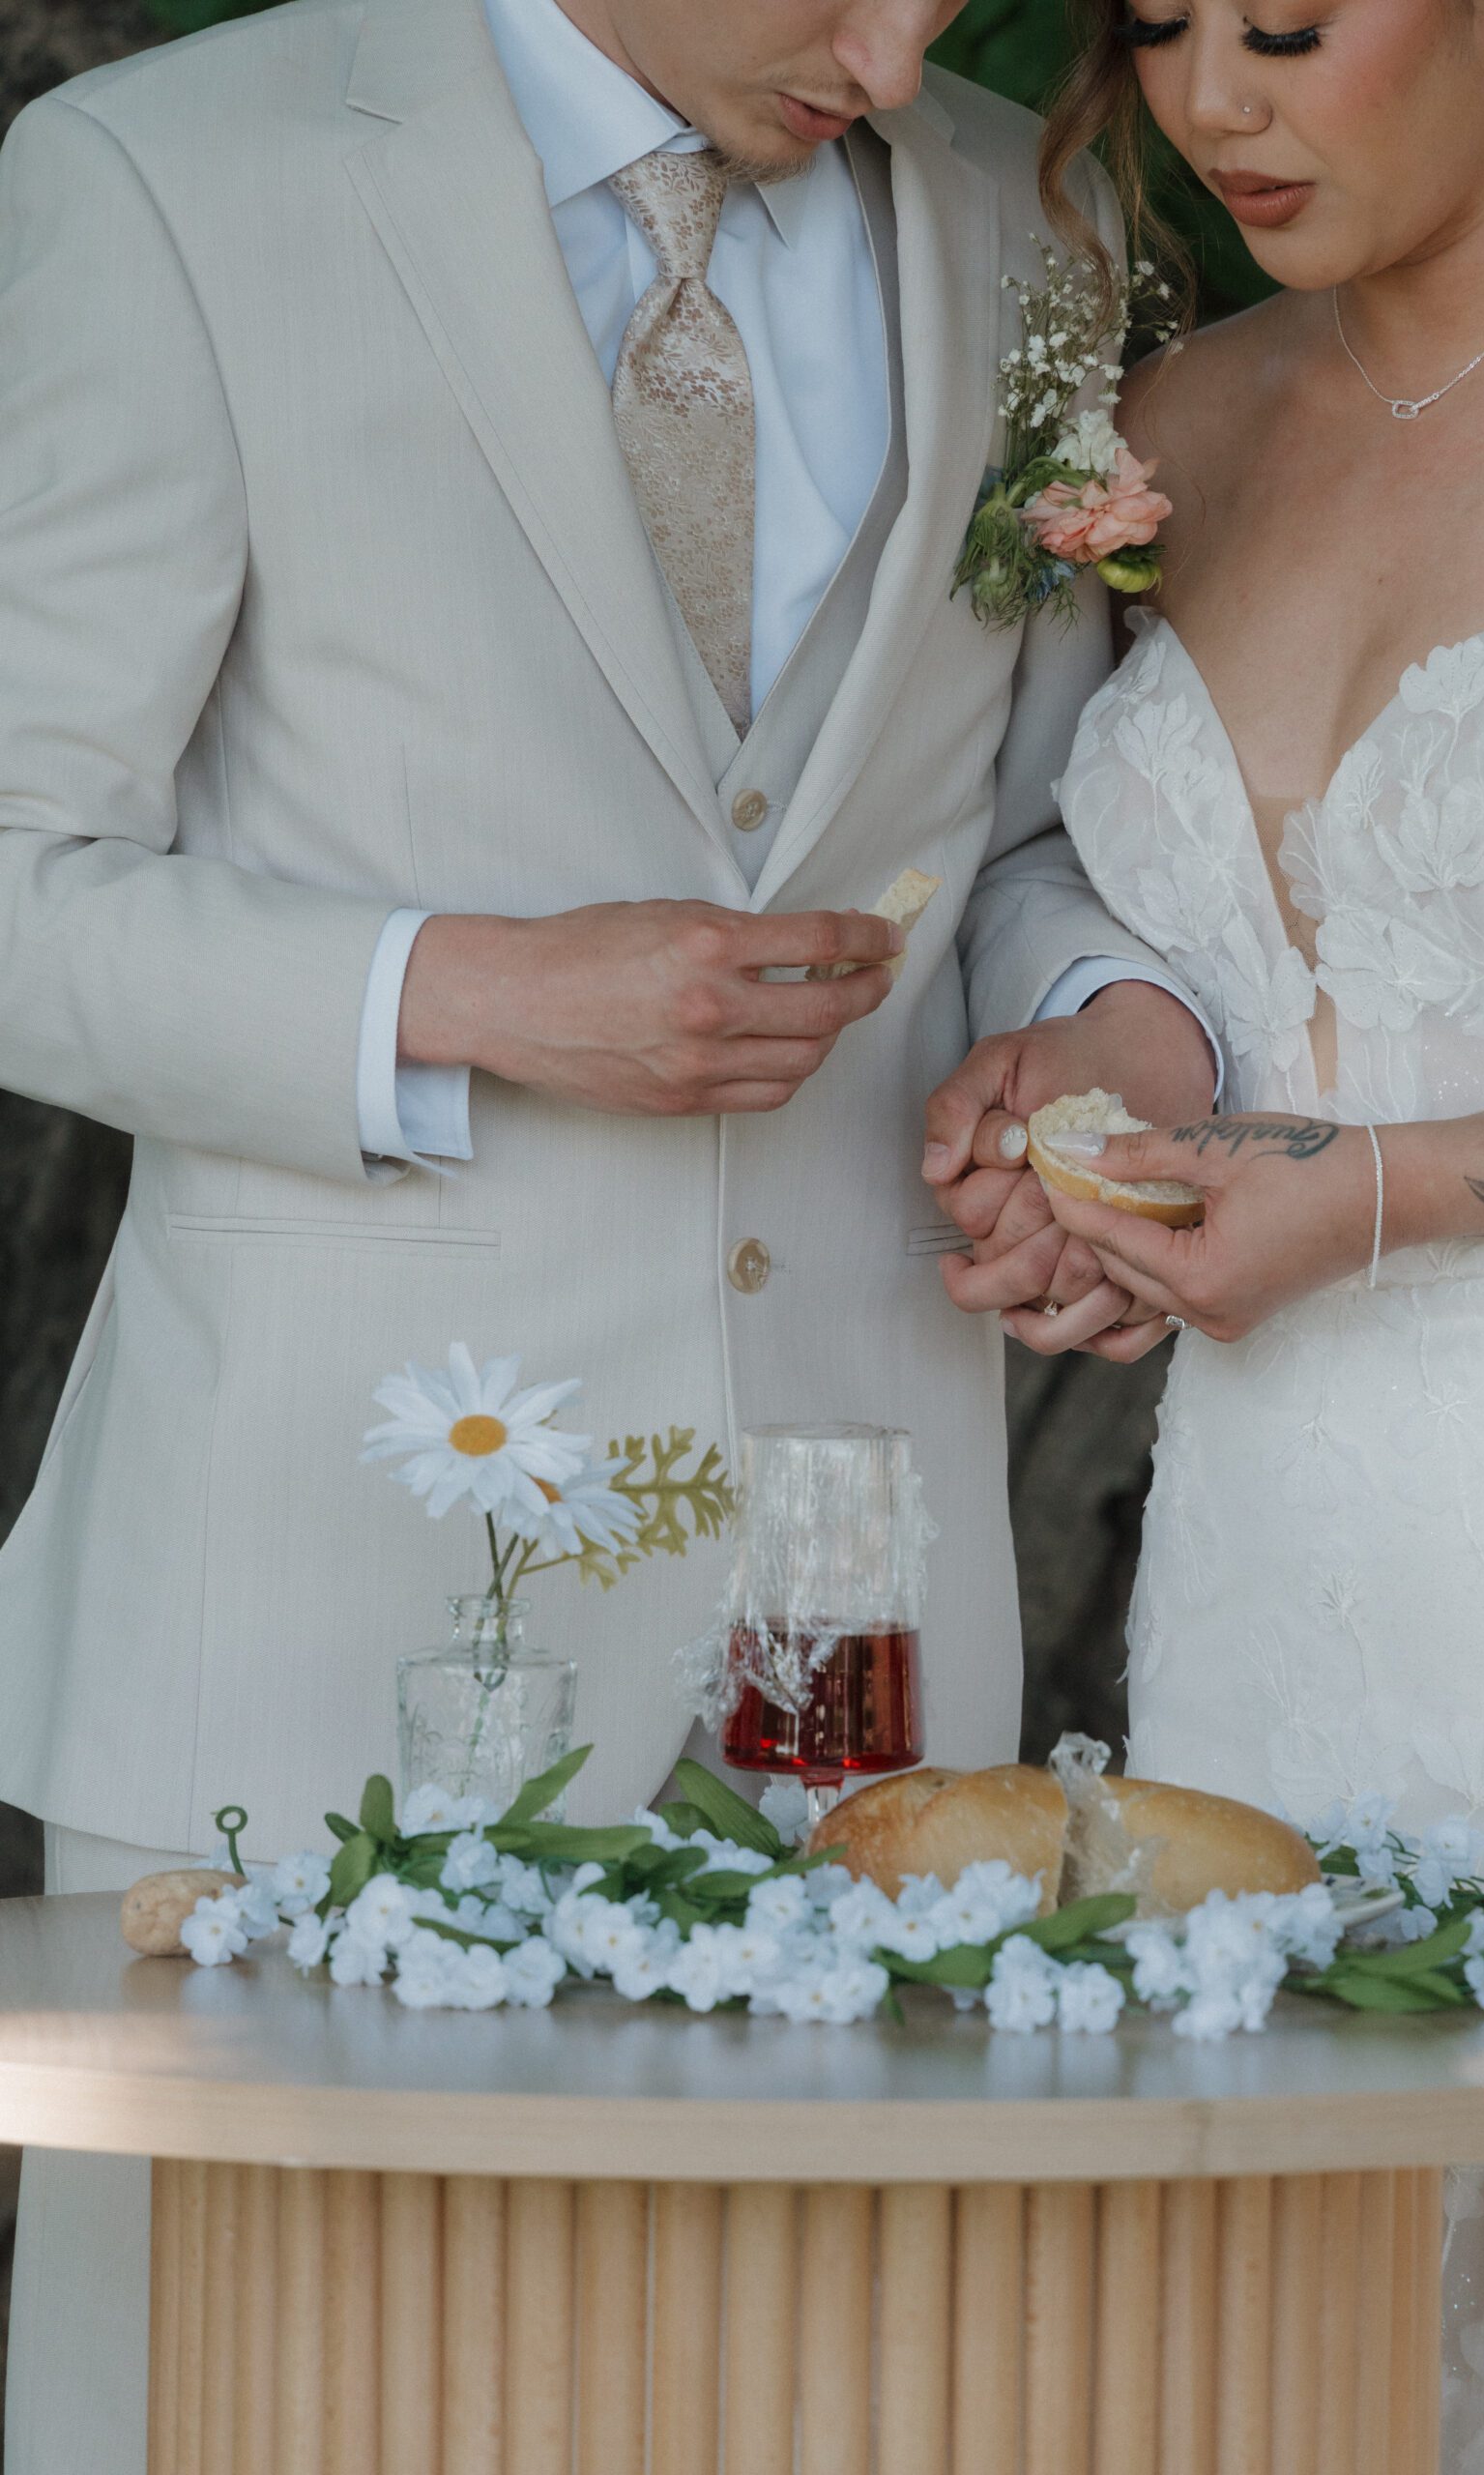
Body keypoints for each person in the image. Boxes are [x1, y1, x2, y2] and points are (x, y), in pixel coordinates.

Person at [0, 0, 1221, 2459]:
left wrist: (1084, 1012)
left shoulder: (1039, 210)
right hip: (324, 1604)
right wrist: (456, 992)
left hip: (857, 1607)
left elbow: (1022, 825)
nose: (894, 68)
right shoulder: (160, 179)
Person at [929, 0, 1484, 2461]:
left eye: (1292, 25)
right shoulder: (1173, 424)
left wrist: (1389, 1192)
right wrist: (1112, 1089)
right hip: (1276, 1609)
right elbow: (1049, 883)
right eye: (1159, 28)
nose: (1213, 101)